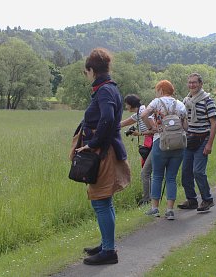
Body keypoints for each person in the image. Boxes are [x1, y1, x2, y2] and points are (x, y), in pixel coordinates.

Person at [73, 48, 131, 265]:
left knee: (100, 201)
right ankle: (107, 244)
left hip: (103, 152)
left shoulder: (104, 90)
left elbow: (106, 119)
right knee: (104, 201)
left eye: (86, 72)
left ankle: (109, 251)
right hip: (107, 149)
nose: (86, 75)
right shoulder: (109, 88)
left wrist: (93, 144)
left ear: (91, 70)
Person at [141, 80, 187, 220]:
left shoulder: (156, 102)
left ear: (161, 90)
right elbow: (186, 126)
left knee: (157, 176)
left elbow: (144, 115)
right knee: (171, 177)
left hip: (160, 142)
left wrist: (152, 128)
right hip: (178, 145)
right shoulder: (180, 104)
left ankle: (155, 208)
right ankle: (170, 210)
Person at [178, 73, 216, 212]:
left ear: (200, 84)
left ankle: (207, 199)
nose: (191, 85)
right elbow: (185, 121)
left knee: (198, 171)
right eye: (189, 82)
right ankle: (191, 200)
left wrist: (209, 144)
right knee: (186, 172)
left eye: (194, 82)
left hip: (203, 139)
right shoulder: (186, 101)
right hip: (190, 139)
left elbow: (213, 124)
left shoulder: (208, 100)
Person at [120, 94, 155, 206]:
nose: (126, 107)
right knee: (149, 172)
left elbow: (154, 130)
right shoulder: (139, 112)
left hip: (155, 143)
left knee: (145, 173)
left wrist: (139, 133)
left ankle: (147, 200)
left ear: (130, 104)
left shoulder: (143, 112)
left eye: (126, 104)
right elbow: (124, 123)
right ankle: (151, 197)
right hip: (150, 143)